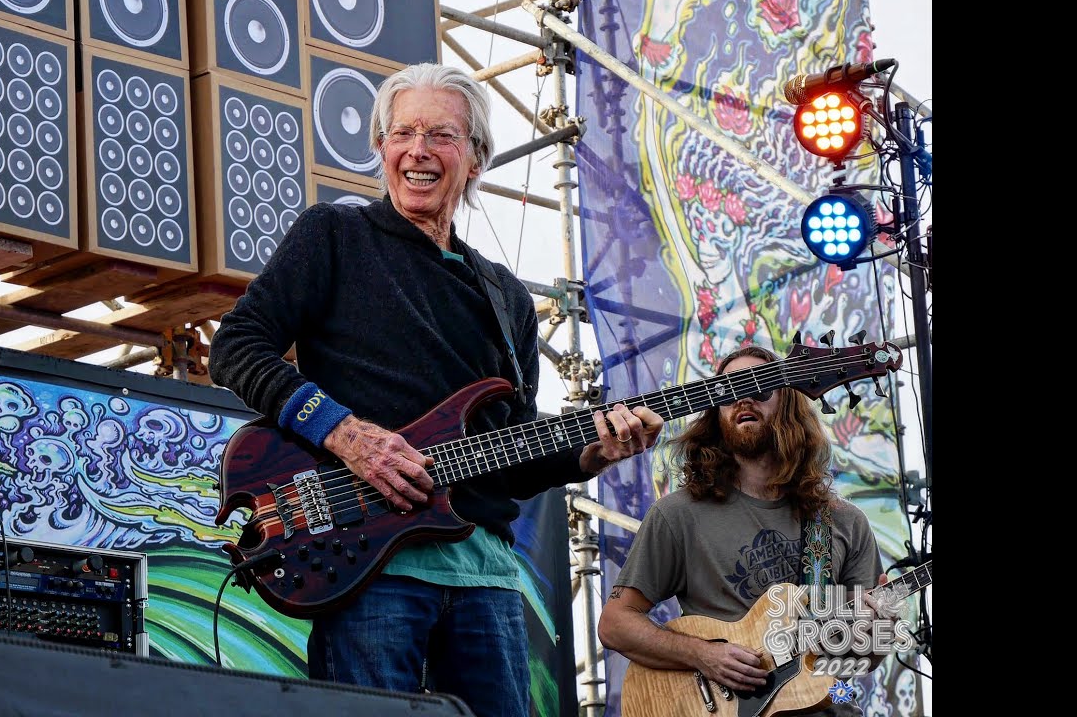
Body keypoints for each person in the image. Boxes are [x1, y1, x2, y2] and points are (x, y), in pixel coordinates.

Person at [209, 62, 663, 716]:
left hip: (485, 575)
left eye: (441, 136)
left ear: (476, 158)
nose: (418, 151)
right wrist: (349, 435)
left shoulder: (505, 295)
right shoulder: (335, 236)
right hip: (369, 567)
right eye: (402, 133)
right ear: (381, 148)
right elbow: (236, 346)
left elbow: (513, 454)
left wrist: (593, 451)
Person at [598, 345, 890, 717]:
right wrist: (703, 655)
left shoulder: (844, 521)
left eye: (761, 386)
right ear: (715, 411)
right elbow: (615, 623)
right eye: (729, 391)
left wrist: (873, 632)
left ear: (789, 403)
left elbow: (856, 661)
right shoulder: (678, 515)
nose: (743, 398)